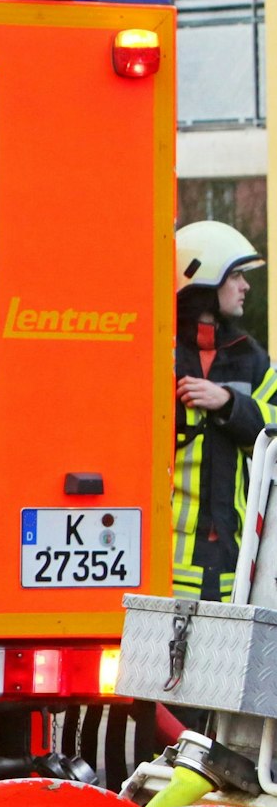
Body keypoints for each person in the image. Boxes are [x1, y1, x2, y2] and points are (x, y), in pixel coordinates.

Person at [172, 220, 277, 601]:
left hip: (235, 565)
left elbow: (275, 432)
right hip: (166, 570)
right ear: (202, 278)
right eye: (235, 275)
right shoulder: (159, 355)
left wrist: (230, 404)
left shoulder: (250, 358)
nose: (245, 286)